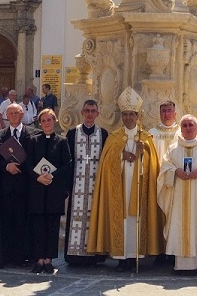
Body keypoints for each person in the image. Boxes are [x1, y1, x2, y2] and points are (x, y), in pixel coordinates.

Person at [88, 88, 164, 271]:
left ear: (138, 116)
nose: (129, 118)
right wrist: (121, 155)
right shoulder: (114, 138)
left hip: (139, 188)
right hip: (120, 189)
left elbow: (153, 167)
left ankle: (135, 256)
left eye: (132, 114)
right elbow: (106, 165)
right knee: (122, 221)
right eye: (125, 114)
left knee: (136, 220)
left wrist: (142, 152)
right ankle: (122, 257)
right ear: (122, 116)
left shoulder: (146, 138)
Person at [157, 114, 197, 276]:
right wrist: (175, 171)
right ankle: (182, 266)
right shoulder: (173, 148)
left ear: (196, 127)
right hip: (179, 196)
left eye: (191, 125)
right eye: (185, 125)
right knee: (181, 225)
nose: (188, 128)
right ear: (180, 128)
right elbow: (164, 167)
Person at [0, 102, 39, 267]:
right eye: (10, 113)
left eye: (17, 113)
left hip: (25, 188)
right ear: (6, 115)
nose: (13, 116)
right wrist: (6, 166)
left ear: (22, 115)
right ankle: (5, 256)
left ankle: (22, 256)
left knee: (23, 223)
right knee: (5, 223)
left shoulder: (34, 135)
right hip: (4, 189)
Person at [27, 108, 73, 274]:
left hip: (54, 190)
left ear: (55, 121)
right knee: (38, 225)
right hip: (37, 189)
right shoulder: (33, 140)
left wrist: (53, 176)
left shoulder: (61, 141)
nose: (46, 123)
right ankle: (39, 259)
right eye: (44, 120)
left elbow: (67, 164)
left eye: (49, 120)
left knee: (52, 226)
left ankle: (48, 260)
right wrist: (37, 177)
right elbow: (28, 163)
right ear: (40, 123)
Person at [64, 99, 109, 267]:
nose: (90, 114)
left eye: (93, 111)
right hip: (77, 185)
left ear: (97, 114)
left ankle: (93, 255)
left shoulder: (103, 134)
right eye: (87, 111)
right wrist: (66, 187)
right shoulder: (72, 133)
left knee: (94, 218)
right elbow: (67, 161)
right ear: (82, 112)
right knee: (75, 218)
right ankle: (74, 256)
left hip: (95, 186)